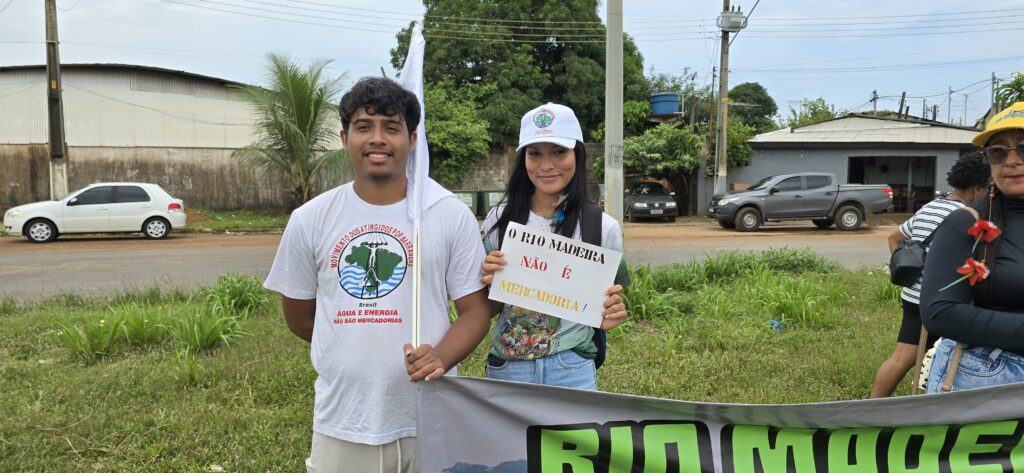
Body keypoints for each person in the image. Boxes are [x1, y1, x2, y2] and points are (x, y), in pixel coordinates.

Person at [263, 77, 491, 472]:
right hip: (344, 421)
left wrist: (439, 356)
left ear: (413, 139)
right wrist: (350, 341)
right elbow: (301, 317)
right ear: (344, 137)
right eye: (364, 127)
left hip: (429, 414)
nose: (377, 139)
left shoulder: (447, 214)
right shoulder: (310, 219)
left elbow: (475, 312)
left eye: (391, 127)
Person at [478, 103, 629, 390]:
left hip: (572, 368)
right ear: (523, 158)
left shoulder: (603, 227)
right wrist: (489, 282)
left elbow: (611, 295)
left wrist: (612, 310)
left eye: (559, 152)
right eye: (535, 154)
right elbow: (488, 309)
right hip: (507, 369)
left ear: (577, 154)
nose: (546, 165)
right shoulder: (500, 220)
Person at [921, 102, 1024, 393]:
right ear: (989, 163)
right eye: (998, 151)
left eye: (1023, 147)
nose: (1012, 160)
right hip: (987, 379)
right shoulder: (964, 223)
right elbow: (940, 312)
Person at [868, 154, 990, 398]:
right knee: (952, 357)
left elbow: (894, 238)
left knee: (902, 358)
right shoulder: (968, 217)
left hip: (913, 296)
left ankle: (871, 406)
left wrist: (915, 274)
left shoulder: (932, 206)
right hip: (944, 302)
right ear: (978, 188)